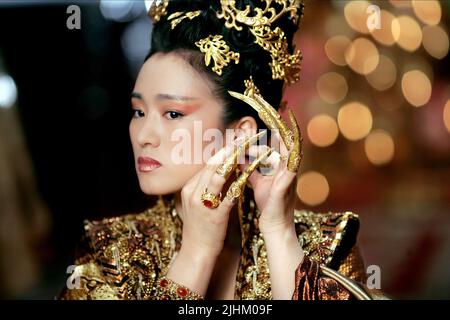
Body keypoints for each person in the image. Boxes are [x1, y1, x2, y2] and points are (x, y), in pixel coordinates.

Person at [58, 0, 385, 300]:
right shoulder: (111, 250)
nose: (143, 134)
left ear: (241, 133)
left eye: (172, 113)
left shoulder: (325, 245)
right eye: (138, 112)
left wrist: (278, 230)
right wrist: (197, 252)